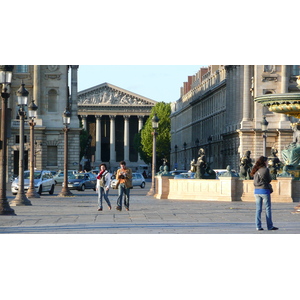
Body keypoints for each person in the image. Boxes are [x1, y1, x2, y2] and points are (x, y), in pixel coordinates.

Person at [250, 156, 278, 231]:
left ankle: (258, 226)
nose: (268, 163)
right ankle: (270, 226)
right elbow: (269, 179)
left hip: (256, 191)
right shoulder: (265, 170)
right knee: (268, 208)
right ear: (264, 162)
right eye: (267, 161)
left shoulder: (256, 170)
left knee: (258, 209)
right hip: (264, 190)